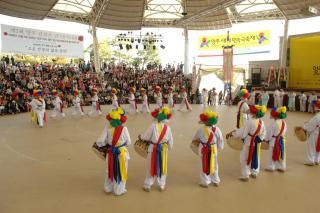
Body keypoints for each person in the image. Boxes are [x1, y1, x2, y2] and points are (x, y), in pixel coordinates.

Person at [96, 107, 131, 196]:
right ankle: (119, 190)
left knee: (109, 169)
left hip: (111, 152)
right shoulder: (124, 129)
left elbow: (100, 142)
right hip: (122, 152)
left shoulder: (107, 128)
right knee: (122, 170)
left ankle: (108, 188)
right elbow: (129, 142)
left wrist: (106, 144)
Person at [141, 107, 173, 192]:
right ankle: (161, 185)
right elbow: (171, 141)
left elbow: (146, 137)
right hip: (163, 150)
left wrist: (141, 136)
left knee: (151, 166)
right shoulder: (168, 128)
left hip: (153, 149)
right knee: (163, 167)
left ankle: (148, 185)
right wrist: (168, 149)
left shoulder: (153, 126)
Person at [232, 105, 266, 181]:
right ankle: (255, 172)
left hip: (248, 143)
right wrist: (259, 139)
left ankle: (245, 175)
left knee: (244, 158)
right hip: (256, 143)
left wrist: (235, 134)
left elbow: (244, 133)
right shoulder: (262, 122)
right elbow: (264, 133)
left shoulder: (249, 121)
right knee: (256, 156)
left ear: (253, 113)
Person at [193, 110, 224, 187]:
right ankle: (215, 180)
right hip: (214, 148)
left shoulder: (201, 130)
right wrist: (219, 148)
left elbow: (195, 138)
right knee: (215, 164)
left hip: (203, 148)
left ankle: (205, 181)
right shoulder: (217, 129)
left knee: (204, 164)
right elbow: (220, 139)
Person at [264, 107, 288, 172]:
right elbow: (284, 131)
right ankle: (282, 167)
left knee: (272, 153)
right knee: (281, 153)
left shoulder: (273, 124)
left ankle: (271, 166)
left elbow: (269, 134)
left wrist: (266, 139)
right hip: (282, 140)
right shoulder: (284, 123)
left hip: (274, 141)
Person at [302, 99, 320, 166]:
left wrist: (304, 126)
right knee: (319, 148)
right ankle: (317, 160)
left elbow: (310, 126)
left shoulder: (317, 117)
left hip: (316, 134)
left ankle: (310, 160)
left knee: (311, 146)